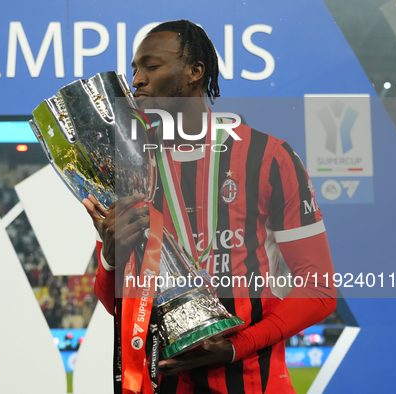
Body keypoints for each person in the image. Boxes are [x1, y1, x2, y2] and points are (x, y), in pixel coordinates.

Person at [82, 19, 336, 394]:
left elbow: (318, 289)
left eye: (150, 67)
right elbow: (115, 305)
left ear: (195, 72)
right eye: (134, 69)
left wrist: (235, 348)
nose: (136, 80)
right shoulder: (127, 169)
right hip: (161, 382)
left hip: (251, 380)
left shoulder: (269, 157)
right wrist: (112, 257)